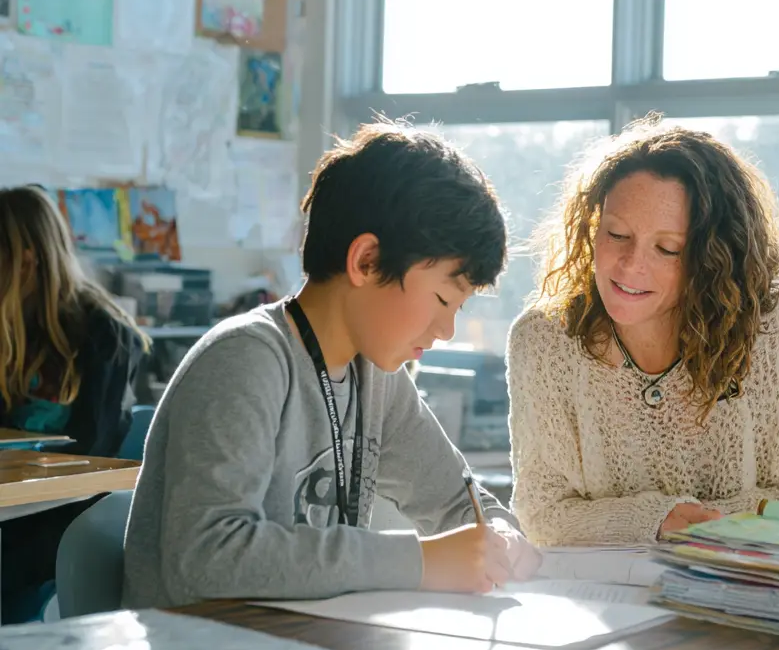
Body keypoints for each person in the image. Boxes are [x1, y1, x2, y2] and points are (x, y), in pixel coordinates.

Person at [124, 122, 539, 610]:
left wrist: (502, 538)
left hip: (306, 649)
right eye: (443, 298)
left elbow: (458, 503)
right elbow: (205, 560)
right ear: (366, 261)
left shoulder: (379, 377)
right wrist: (420, 562)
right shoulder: (246, 359)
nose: (446, 329)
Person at [507, 118, 779, 547]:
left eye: (667, 249)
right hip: (606, 604)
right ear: (591, 229)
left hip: (753, 597)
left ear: (714, 257)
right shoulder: (543, 340)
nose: (630, 265)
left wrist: (694, 524)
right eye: (617, 234)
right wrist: (657, 520)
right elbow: (542, 513)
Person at [0, 185, 148, 622]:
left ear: (26, 258)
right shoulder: (10, 330)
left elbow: (92, 457)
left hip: (66, 519)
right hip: (15, 509)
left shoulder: (105, 335)